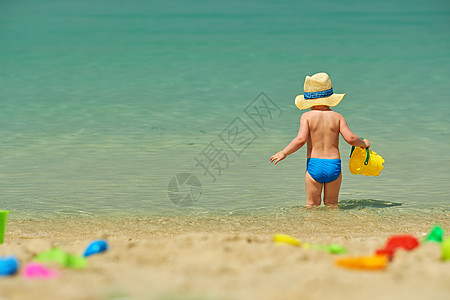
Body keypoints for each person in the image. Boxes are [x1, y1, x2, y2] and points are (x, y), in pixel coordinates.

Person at [269, 72, 370, 207]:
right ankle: (332, 228)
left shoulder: (307, 117)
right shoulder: (337, 117)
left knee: (312, 204)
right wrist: (364, 143)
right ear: (330, 98)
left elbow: (300, 140)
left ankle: (312, 227)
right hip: (333, 165)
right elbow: (351, 138)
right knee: (332, 204)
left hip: (314, 165)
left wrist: (283, 152)